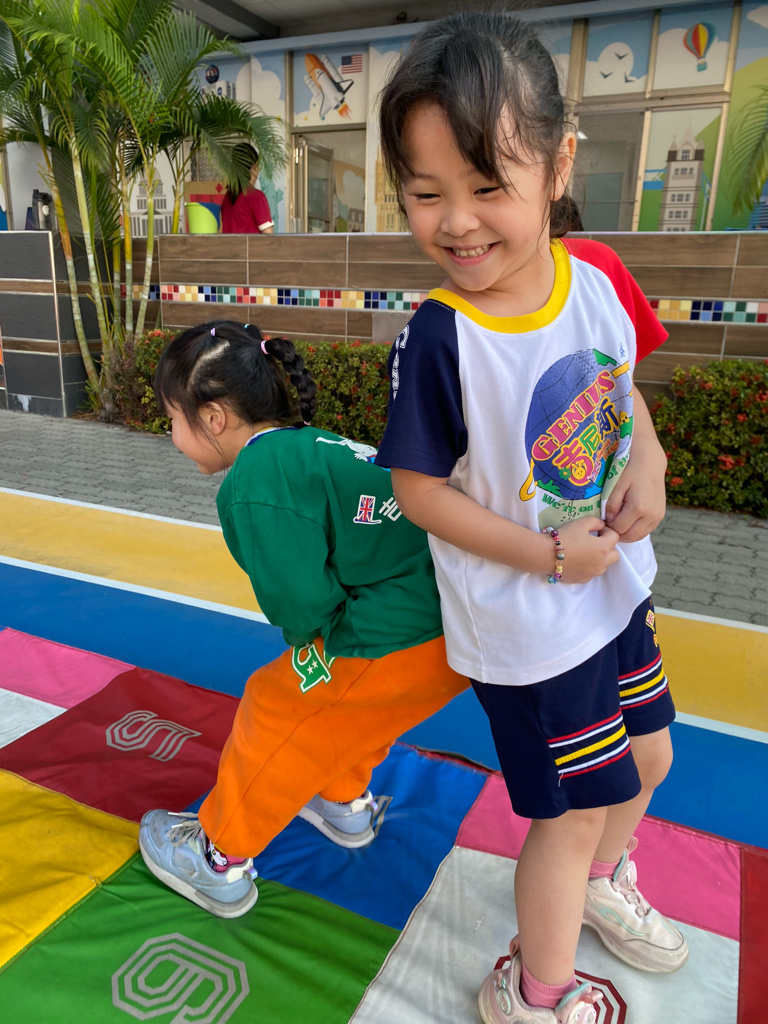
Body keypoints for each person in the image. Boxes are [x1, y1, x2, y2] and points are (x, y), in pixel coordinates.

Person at [374, 12, 686, 1024]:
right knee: (575, 808)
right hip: (530, 630)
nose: (457, 222)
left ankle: (600, 885)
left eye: (487, 186)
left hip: (612, 590)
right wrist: (547, 554)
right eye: (426, 193)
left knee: (651, 756)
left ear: (558, 166)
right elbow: (421, 492)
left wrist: (652, 460)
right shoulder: (442, 337)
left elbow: (621, 388)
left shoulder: (594, 277)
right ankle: (535, 989)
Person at [138, 319, 467, 919]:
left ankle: (218, 856)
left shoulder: (257, 477)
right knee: (357, 715)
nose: (172, 435)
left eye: (173, 420)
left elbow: (300, 602)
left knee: (278, 706)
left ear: (214, 418)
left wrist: (309, 647)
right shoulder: (310, 445)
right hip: (451, 626)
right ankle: (341, 799)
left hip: (395, 630)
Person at [220, 143, 274, 234]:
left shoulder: (228, 197)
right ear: (256, 166)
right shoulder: (257, 197)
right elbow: (268, 236)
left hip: (229, 244)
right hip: (251, 244)